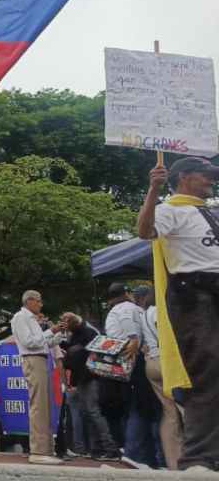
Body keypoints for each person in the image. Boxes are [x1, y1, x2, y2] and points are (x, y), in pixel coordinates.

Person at [138, 156, 219, 473]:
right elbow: (145, 231)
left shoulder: (209, 212)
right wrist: (153, 189)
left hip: (211, 290)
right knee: (207, 370)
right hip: (193, 294)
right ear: (184, 177)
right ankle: (199, 456)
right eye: (206, 175)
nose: (211, 180)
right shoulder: (170, 209)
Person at [104, 282, 157, 469]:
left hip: (121, 362)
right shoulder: (127, 308)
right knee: (141, 406)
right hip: (134, 360)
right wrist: (134, 338)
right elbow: (130, 328)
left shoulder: (115, 311)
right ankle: (137, 452)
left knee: (135, 406)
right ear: (126, 293)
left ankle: (140, 453)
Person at [10, 290, 63, 465]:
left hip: (41, 359)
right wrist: (50, 332)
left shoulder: (31, 319)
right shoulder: (20, 317)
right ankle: (39, 451)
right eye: (39, 301)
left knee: (45, 406)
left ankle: (46, 449)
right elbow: (29, 342)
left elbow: (45, 343)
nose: (41, 304)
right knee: (39, 406)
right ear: (30, 301)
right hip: (33, 360)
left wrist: (58, 333)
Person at [59, 312, 119, 461]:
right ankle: (96, 449)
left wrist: (70, 352)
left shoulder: (87, 333)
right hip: (84, 377)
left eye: (66, 323)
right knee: (89, 413)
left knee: (93, 412)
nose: (65, 327)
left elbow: (78, 354)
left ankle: (110, 448)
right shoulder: (81, 334)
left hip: (90, 377)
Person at [135, 287, 183, 470]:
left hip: (151, 363)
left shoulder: (144, 314)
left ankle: (174, 462)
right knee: (185, 408)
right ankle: (196, 456)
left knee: (169, 413)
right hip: (166, 362)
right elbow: (163, 331)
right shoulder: (158, 312)